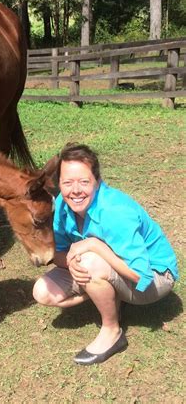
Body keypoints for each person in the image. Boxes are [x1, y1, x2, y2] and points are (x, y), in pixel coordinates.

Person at [33, 143, 178, 365]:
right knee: (43, 292)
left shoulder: (115, 212)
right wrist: (71, 264)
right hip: (109, 268)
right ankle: (108, 295)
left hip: (155, 278)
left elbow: (142, 276)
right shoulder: (63, 205)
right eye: (67, 182)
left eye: (84, 182)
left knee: (90, 260)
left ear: (97, 182)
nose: (75, 190)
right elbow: (58, 253)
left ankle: (112, 331)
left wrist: (94, 245)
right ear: (59, 184)